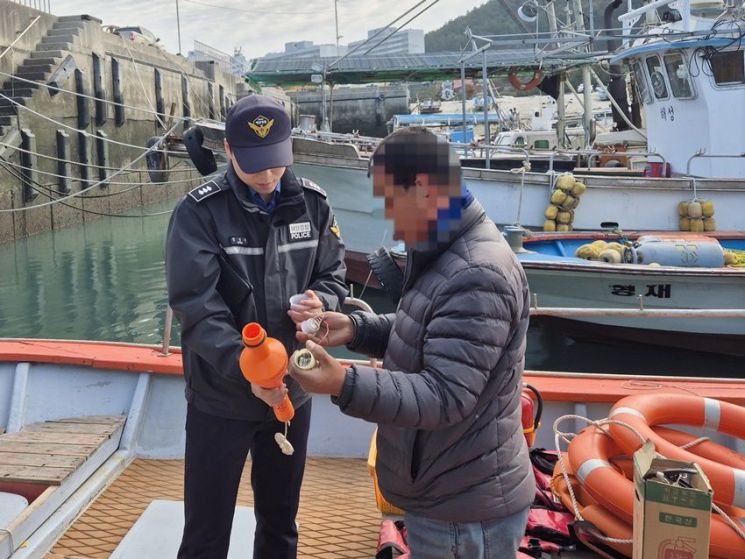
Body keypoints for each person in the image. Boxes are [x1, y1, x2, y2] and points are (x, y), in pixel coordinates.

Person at [288, 127, 535, 559]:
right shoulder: (447, 251)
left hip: (463, 512)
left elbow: (445, 395)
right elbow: (430, 331)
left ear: (422, 187)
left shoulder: (479, 271)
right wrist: (357, 329)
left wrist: (341, 383)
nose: (388, 216)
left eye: (389, 199)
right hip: (451, 494)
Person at [165, 93, 348, 559]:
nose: (267, 177)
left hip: (292, 394)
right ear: (228, 150)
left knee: (281, 524)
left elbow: (334, 274)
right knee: (206, 532)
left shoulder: (313, 204)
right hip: (220, 398)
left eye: (275, 164)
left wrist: (320, 301)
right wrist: (250, 370)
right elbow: (196, 305)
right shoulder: (198, 213)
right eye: (254, 166)